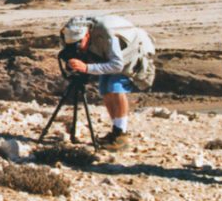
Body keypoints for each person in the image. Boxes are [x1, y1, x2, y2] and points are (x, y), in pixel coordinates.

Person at [60, 14, 156, 151]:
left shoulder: (106, 34)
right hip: (108, 56)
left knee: (115, 87)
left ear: (87, 35)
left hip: (130, 54)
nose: (78, 48)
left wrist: (87, 68)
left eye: (78, 44)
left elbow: (117, 65)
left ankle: (122, 137)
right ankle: (116, 132)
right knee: (105, 89)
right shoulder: (73, 34)